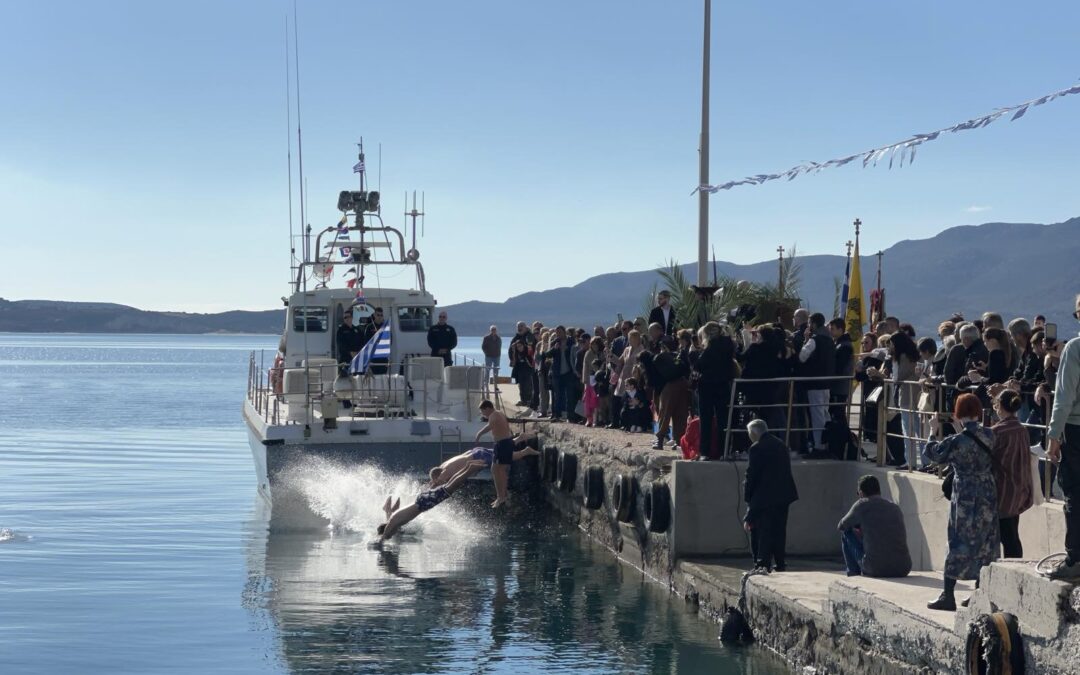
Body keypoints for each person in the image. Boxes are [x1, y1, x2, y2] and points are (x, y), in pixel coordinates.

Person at [924, 394, 999, 611]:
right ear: (978, 411)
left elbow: (933, 455)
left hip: (965, 491)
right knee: (987, 540)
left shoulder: (956, 441)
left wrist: (932, 430)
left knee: (959, 539)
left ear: (958, 413)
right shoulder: (989, 435)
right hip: (987, 490)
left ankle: (948, 595)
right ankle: (979, 593)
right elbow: (976, 445)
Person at [1046, 293, 1080, 579]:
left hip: (1076, 430)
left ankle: (1075, 560)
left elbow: (1065, 397)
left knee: (1074, 494)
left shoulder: (1075, 349)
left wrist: (1054, 435)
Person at [377, 460, 486, 541]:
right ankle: (467, 467)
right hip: (422, 501)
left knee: (450, 487)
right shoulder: (395, 521)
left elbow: (384, 536)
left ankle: (469, 469)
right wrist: (387, 508)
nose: (391, 535)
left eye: (390, 533)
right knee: (449, 486)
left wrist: (380, 540)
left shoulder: (392, 523)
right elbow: (390, 519)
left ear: (387, 529)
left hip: (423, 503)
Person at [743, 419, 799, 572]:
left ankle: (762, 563)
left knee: (764, 530)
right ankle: (780, 562)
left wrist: (748, 498)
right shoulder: (780, 444)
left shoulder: (756, 448)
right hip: (784, 494)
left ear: (754, 433)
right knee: (780, 529)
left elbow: (752, 475)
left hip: (765, 496)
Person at [837, 475, 911, 577]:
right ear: (879, 491)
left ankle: (853, 574)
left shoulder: (862, 505)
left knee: (847, 533)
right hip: (903, 568)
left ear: (861, 493)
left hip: (875, 569)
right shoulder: (894, 507)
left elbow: (841, 526)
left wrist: (858, 529)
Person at [989, 390, 1033, 558]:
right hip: (1020, 488)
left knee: (1007, 539)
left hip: (1002, 490)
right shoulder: (1022, 429)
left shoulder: (997, 431)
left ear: (999, 406)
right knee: (1013, 536)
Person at [428, 434, 539, 488]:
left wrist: (431, 487)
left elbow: (441, 483)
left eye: (436, 480)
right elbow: (436, 478)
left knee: (506, 457)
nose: (438, 482)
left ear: (438, 476)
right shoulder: (443, 465)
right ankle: (519, 438)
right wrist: (431, 482)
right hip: (475, 452)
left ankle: (526, 451)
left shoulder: (444, 472)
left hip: (479, 457)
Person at [694, 322, 736, 460]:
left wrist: (693, 354)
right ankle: (724, 451)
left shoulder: (710, 346)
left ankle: (705, 452)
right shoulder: (729, 344)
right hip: (724, 385)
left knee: (705, 420)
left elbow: (699, 366)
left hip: (707, 386)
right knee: (723, 420)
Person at [797, 312, 836, 451]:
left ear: (813, 324)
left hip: (814, 383)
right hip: (827, 383)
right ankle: (829, 443)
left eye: (809, 323)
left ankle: (819, 445)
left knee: (817, 415)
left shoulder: (814, 340)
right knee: (825, 414)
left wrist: (805, 340)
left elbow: (802, 357)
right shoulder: (830, 340)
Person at [475, 400, 515, 507]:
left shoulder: (493, 416)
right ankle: (504, 495)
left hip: (502, 444)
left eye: (483, 412)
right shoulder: (499, 413)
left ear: (487, 408)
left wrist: (479, 434)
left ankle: (500, 497)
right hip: (506, 443)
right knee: (501, 469)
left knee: (495, 469)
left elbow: (489, 427)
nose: (483, 414)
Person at [829, 318, 855, 419]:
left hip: (839, 388)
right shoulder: (839, 344)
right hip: (838, 387)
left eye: (832, 329)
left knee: (838, 415)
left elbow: (839, 367)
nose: (830, 331)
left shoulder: (844, 346)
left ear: (840, 330)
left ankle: (842, 434)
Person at [509, 340, 535, 410]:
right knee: (521, 386)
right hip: (520, 371)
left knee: (528, 386)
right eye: (517, 347)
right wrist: (514, 351)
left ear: (523, 345)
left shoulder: (528, 351)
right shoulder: (517, 353)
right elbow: (514, 362)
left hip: (528, 371)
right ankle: (523, 400)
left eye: (520, 346)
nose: (519, 348)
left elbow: (531, 361)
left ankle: (529, 400)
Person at [481, 325, 502, 390]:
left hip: (497, 356)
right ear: (490, 330)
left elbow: (500, 347)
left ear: (496, 330)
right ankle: (485, 385)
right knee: (487, 370)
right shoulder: (486, 338)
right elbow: (483, 347)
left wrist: (498, 354)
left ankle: (495, 386)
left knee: (496, 371)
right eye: (492, 329)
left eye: (495, 329)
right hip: (489, 356)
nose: (494, 331)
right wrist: (486, 353)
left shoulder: (499, 338)